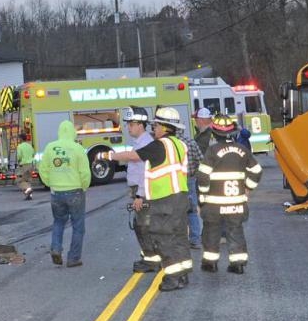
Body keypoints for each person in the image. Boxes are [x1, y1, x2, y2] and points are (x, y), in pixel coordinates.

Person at [102, 107, 193, 290]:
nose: (155, 129)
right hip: (181, 197)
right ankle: (183, 274)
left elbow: (134, 156)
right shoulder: (180, 144)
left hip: (164, 199)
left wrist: (109, 155)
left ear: (165, 127)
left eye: (157, 125)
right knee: (179, 236)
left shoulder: (160, 145)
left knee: (164, 237)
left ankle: (173, 277)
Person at [197, 114, 262, 274]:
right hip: (236, 204)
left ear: (214, 133)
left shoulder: (212, 151)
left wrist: (202, 197)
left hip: (214, 204)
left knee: (212, 231)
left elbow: (203, 176)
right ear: (232, 133)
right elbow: (257, 171)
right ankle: (238, 264)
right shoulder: (242, 150)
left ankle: (210, 264)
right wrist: (248, 188)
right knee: (235, 231)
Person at [38, 120, 91, 268]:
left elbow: (43, 169)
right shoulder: (77, 148)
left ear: (60, 131)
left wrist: (51, 183)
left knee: (59, 222)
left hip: (56, 192)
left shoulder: (50, 148)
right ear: (72, 132)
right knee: (78, 226)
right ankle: (73, 258)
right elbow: (85, 172)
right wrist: (84, 187)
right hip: (75, 191)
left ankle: (56, 248)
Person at [121, 106, 155, 268]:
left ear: (141, 125)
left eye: (131, 124)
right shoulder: (140, 143)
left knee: (144, 225)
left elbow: (145, 172)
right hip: (138, 190)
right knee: (140, 225)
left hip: (143, 191)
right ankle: (147, 256)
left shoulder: (145, 144)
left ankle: (151, 260)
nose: (128, 127)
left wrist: (140, 195)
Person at [15, 134, 36, 200]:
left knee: (20, 180)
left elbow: (19, 156)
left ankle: (28, 190)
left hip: (23, 165)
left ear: (21, 139)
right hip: (31, 165)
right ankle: (28, 196)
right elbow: (33, 154)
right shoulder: (30, 146)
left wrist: (18, 161)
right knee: (27, 180)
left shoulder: (20, 146)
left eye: (18, 138)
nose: (18, 140)